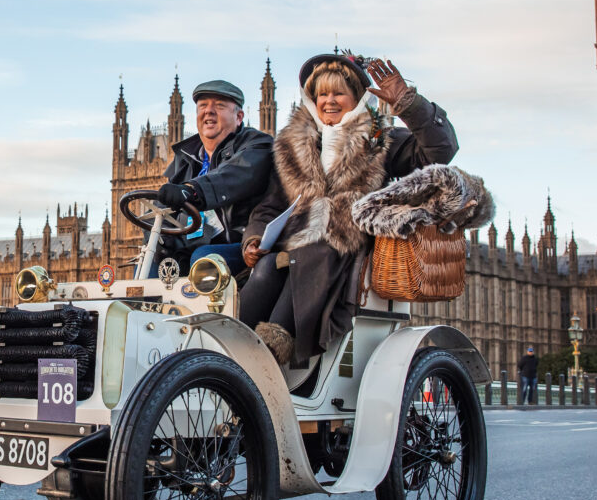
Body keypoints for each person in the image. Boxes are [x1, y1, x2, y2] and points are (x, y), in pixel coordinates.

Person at [238, 52, 458, 365]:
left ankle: (275, 346)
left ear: (357, 98)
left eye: (338, 93)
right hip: (293, 247)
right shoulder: (291, 146)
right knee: (264, 269)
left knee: (310, 253)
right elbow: (269, 206)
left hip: (347, 251)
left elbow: (441, 151)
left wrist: (410, 105)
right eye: (322, 94)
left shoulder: (379, 139)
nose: (329, 101)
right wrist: (255, 238)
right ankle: (233, 340)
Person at [154, 79, 274, 274]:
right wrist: (161, 244)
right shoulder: (185, 161)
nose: (209, 111)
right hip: (195, 248)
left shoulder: (256, 145)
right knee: (155, 263)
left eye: (219, 106)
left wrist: (192, 190)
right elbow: (161, 210)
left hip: (243, 246)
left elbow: (234, 175)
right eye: (203, 106)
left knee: (203, 258)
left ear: (239, 117)